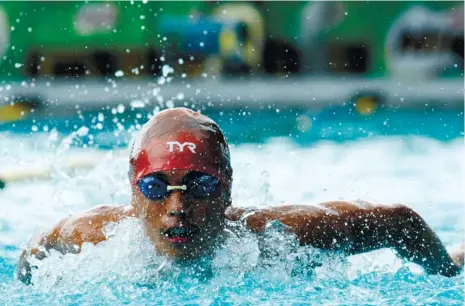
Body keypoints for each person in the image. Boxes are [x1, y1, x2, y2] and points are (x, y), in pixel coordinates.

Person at [17, 107, 464, 284]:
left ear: (228, 189)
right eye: (156, 188)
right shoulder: (94, 236)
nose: (177, 207)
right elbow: (32, 252)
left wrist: (448, 271)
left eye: (201, 186)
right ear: (133, 196)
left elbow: (400, 221)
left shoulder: (279, 237)